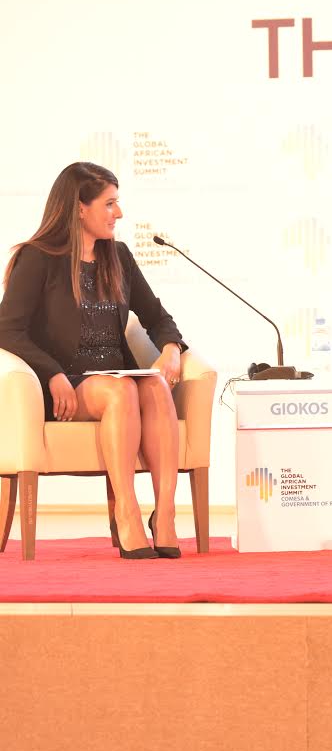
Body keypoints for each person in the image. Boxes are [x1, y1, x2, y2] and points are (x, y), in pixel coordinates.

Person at [0, 162, 187, 559]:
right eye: (110, 204)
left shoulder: (117, 255)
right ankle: (127, 514)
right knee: (121, 392)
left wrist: (171, 349)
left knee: (153, 386)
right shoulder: (37, 259)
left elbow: (157, 318)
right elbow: (7, 330)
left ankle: (166, 515)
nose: (118, 213)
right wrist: (51, 374)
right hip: (67, 383)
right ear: (79, 208)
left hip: (116, 373)